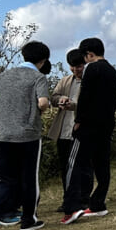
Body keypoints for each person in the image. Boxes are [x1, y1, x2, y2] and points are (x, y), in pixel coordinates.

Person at [0, 40, 51, 230]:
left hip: (4, 135)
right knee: (29, 178)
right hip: (28, 135)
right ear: (43, 61)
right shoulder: (38, 77)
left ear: (24, 55)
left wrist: (2, 109)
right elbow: (43, 103)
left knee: (2, 179)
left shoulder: (5, 75)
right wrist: (40, 108)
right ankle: (28, 221)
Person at [60, 37, 116, 224]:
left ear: (89, 54)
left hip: (88, 126)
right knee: (102, 164)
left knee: (74, 164)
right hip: (106, 123)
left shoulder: (92, 69)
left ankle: (71, 208)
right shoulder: (112, 71)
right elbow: (115, 97)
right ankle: (98, 204)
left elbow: (85, 97)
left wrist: (78, 120)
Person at [48, 49, 87, 195]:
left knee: (80, 167)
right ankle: (67, 197)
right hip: (63, 131)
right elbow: (53, 98)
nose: (75, 69)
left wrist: (74, 106)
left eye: (79, 66)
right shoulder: (65, 81)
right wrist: (61, 100)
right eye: (72, 66)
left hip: (80, 130)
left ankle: (81, 198)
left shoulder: (89, 82)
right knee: (64, 166)